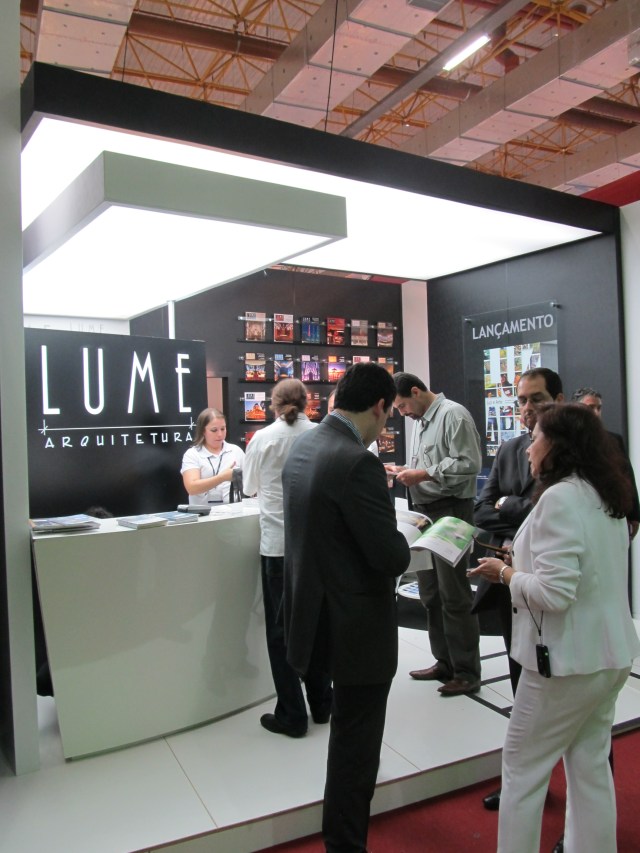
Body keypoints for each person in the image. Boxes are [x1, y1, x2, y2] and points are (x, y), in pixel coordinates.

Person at [469, 403, 640, 853]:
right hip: (609, 654)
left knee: (522, 770)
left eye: (536, 438)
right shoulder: (604, 493)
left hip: (565, 662)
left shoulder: (560, 498)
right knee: (589, 766)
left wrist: (506, 574)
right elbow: (584, 573)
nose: (529, 448)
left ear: (558, 445)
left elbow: (555, 594)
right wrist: (518, 563)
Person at [282, 362, 411, 853]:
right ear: (379, 406)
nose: (386, 424)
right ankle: (345, 844)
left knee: (347, 741)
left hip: (315, 615)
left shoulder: (305, 445)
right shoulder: (359, 462)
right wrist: (406, 536)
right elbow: (390, 556)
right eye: (389, 414)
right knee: (356, 749)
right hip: (355, 627)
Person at [473, 367, 564, 812]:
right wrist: (516, 512)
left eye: (537, 399)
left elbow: (558, 512)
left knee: (574, 716)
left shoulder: (583, 455)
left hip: (558, 596)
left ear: (558, 400)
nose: (527, 408)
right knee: (521, 690)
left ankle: (582, 819)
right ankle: (530, 787)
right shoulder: (510, 450)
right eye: (522, 400)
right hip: (513, 593)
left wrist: (509, 505)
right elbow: (480, 510)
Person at [243, 379, 332, 737]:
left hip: (278, 546)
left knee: (280, 633)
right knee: (318, 626)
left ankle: (292, 713)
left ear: (273, 404)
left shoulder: (262, 439)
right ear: (308, 402)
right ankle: (322, 704)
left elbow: (249, 487)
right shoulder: (322, 435)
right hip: (317, 547)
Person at [388, 372, 482, 696]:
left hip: (451, 510)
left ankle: (467, 672)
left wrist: (424, 474)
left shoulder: (454, 415)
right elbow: (429, 465)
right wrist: (405, 471)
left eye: (402, 406)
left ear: (416, 392)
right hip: (425, 514)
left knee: (454, 594)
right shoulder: (421, 420)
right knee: (430, 593)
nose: (403, 413)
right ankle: (445, 662)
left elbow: (470, 463)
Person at [572, 385, 640, 539]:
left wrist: (634, 515)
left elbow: (627, 476)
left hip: (611, 512)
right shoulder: (567, 441)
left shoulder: (613, 440)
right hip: (581, 514)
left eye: (599, 408)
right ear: (576, 409)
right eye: (590, 408)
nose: (596, 413)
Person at [181, 407, 244, 504]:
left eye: (223, 429)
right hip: (202, 512)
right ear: (203, 431)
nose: (220, 434)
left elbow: (252, 478)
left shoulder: (236, 451)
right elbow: (192, 488)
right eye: (214, 430)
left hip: (233, 510)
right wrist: (222, 477)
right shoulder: (192, 454)